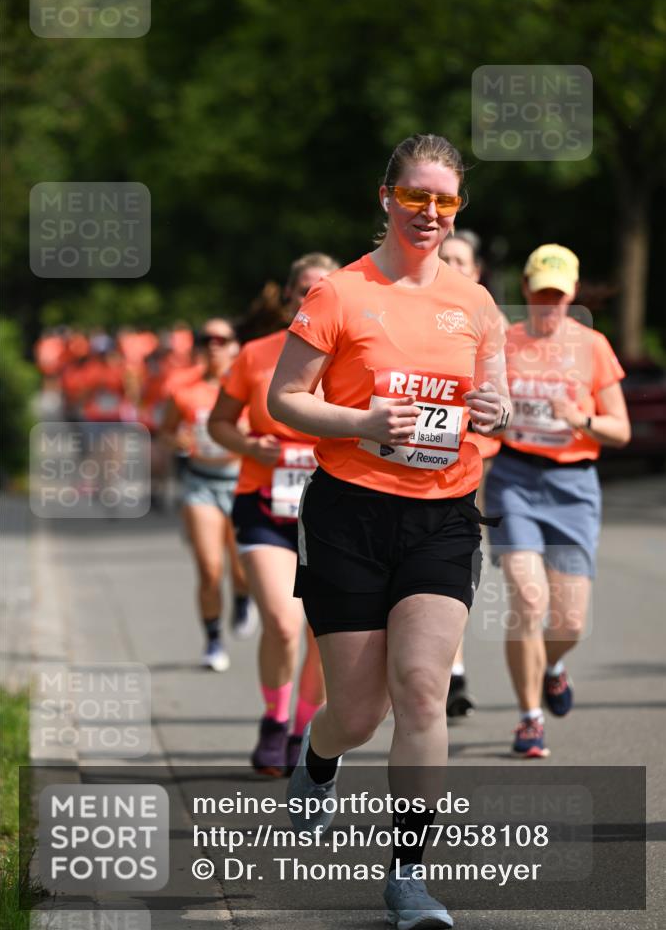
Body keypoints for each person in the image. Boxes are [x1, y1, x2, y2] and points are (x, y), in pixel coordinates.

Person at [268, 134, 509, 926]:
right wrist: (362, 418)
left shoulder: (474, 302)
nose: (430, 214)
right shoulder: (340, 292)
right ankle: (320, 758)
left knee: (421, 690)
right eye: (416, 198)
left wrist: (493, 412)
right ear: (386, 197)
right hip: (350, 513)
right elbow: (285, 400)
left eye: (445, 201)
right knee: (359, 711)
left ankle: (408, 876)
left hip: (443, 513)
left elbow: (495, 405)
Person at [484, 244, 630, 758]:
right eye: (540, 294)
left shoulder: (592, 346)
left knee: (567, 622)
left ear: (572, 295)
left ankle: (552, 665)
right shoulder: (503, 341)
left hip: (573, 487)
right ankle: (528, 719)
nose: (549, 304)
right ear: (526, 291)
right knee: (527, 599)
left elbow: (620, 429)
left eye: (558, 296)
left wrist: (580, 420)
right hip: (515, 478)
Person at [208, 254, 338, 776]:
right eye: (303, 290)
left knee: (322, 634)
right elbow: (219, 423)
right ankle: (273, 719)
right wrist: (248, 445)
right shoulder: (256, 355)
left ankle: (303, 730)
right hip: (264, 503)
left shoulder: (354, 354)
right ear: (288, 298)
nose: (312, 299)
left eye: (322, 290)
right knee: (284, 624)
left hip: (332, 510)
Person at [159, 318, 256, 673]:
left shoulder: (250, 385)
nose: (214, 345)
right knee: (210, 568)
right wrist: (178, 441)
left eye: (222, 339)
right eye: (206, 339)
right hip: (201, 482)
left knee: (243, 570)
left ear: (235, 345)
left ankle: (244, 599)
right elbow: (165, 432)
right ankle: (214, 639)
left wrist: (249, 434)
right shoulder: (183, 389)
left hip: (243, 481)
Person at [438, 231, 505, 718]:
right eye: (445, 259)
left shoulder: (487, 319)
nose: (453, 266)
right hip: (405, 461)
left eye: (461, 260)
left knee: (451, 561)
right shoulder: (411, 308)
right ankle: (439, 670)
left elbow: (506, 398)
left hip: (471, 456)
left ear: (477, 271)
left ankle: (451, 672)